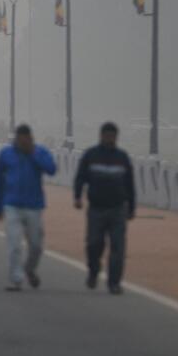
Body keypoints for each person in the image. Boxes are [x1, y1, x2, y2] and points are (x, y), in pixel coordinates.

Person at [0, 124, 58, 292]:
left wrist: (33, 153)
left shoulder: (40, 152)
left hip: (34, 206)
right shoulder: (6, 153)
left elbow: (51, 169)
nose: (21, 143)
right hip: (12, 204)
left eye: (25, 140)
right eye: (19, 139)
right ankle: (16, 279)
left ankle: (29, 268)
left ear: (30, 138)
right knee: (14, 244)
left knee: (36, 245)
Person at [74, 122, 136, 295]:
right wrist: (77, 196)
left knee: (118, 248)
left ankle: (114, 282)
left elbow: (130, 185)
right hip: (96, 209)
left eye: (112, 136)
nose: (109, 139)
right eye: (107, 136)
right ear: (101, 136)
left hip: (118, 209)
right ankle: (94, 270)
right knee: (94, 244)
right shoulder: (91, 155)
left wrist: (131, 207)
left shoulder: (122, 158)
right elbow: (80, 177)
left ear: (116, 137)